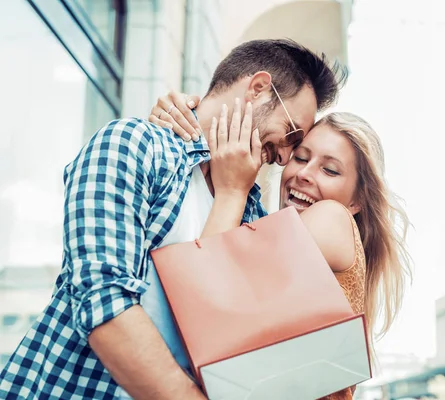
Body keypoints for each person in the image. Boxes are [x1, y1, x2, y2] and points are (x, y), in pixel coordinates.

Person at [0, 39, 344, 400]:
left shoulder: (252, 212)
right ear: (258, 90)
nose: (285, 156)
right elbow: (102, 298)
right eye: (291, 134)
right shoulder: (134, 145)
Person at [159, 95, 412, 399]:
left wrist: (232, 191)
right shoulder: (271, 234)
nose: (304, 174)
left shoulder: (330, 218)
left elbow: (207, 295)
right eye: (301, 158)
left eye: (329, 170)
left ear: (357, 201)